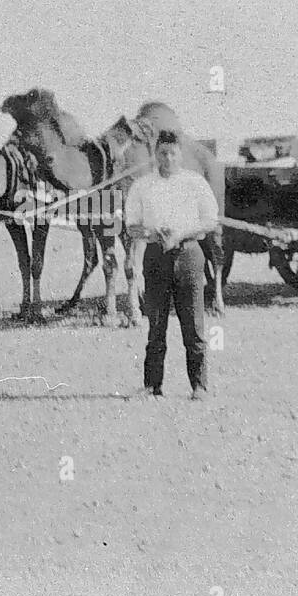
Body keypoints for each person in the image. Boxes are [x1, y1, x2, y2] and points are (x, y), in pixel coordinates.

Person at [124, 129, 220, 400]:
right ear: (155, 155)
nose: (168, 159)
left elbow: (211, 221)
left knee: (194, 326)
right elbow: (131, 226)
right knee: (156, 327)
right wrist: (152, 234)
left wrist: (180, 234)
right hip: (156, 257)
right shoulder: (142, 186)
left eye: (173, 153)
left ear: (181, 155)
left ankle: (199, 386)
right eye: (163, 153)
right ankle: (152, 385)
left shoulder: (195, 182)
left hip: (189, 255)